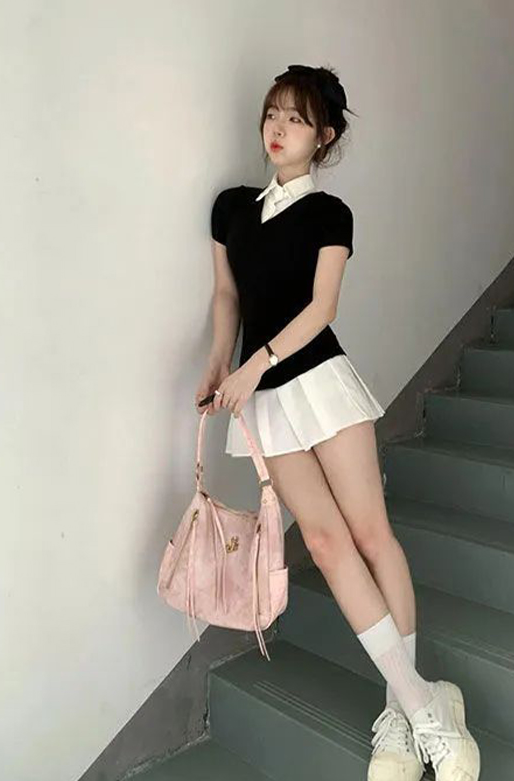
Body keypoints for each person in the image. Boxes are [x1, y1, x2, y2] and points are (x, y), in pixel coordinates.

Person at [195, 64, 480, 781]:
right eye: (272, 113)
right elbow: (227, 295)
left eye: (296, 118)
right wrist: (219, 363)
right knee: (323, 544)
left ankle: (408, 714)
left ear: (322, 136)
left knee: (370, 535)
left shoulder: (330, 214)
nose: (278, 127)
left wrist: (256, 363)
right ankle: (423, 702)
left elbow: (322, 309)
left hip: (319, 383)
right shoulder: (231, 209)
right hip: (264, 399)